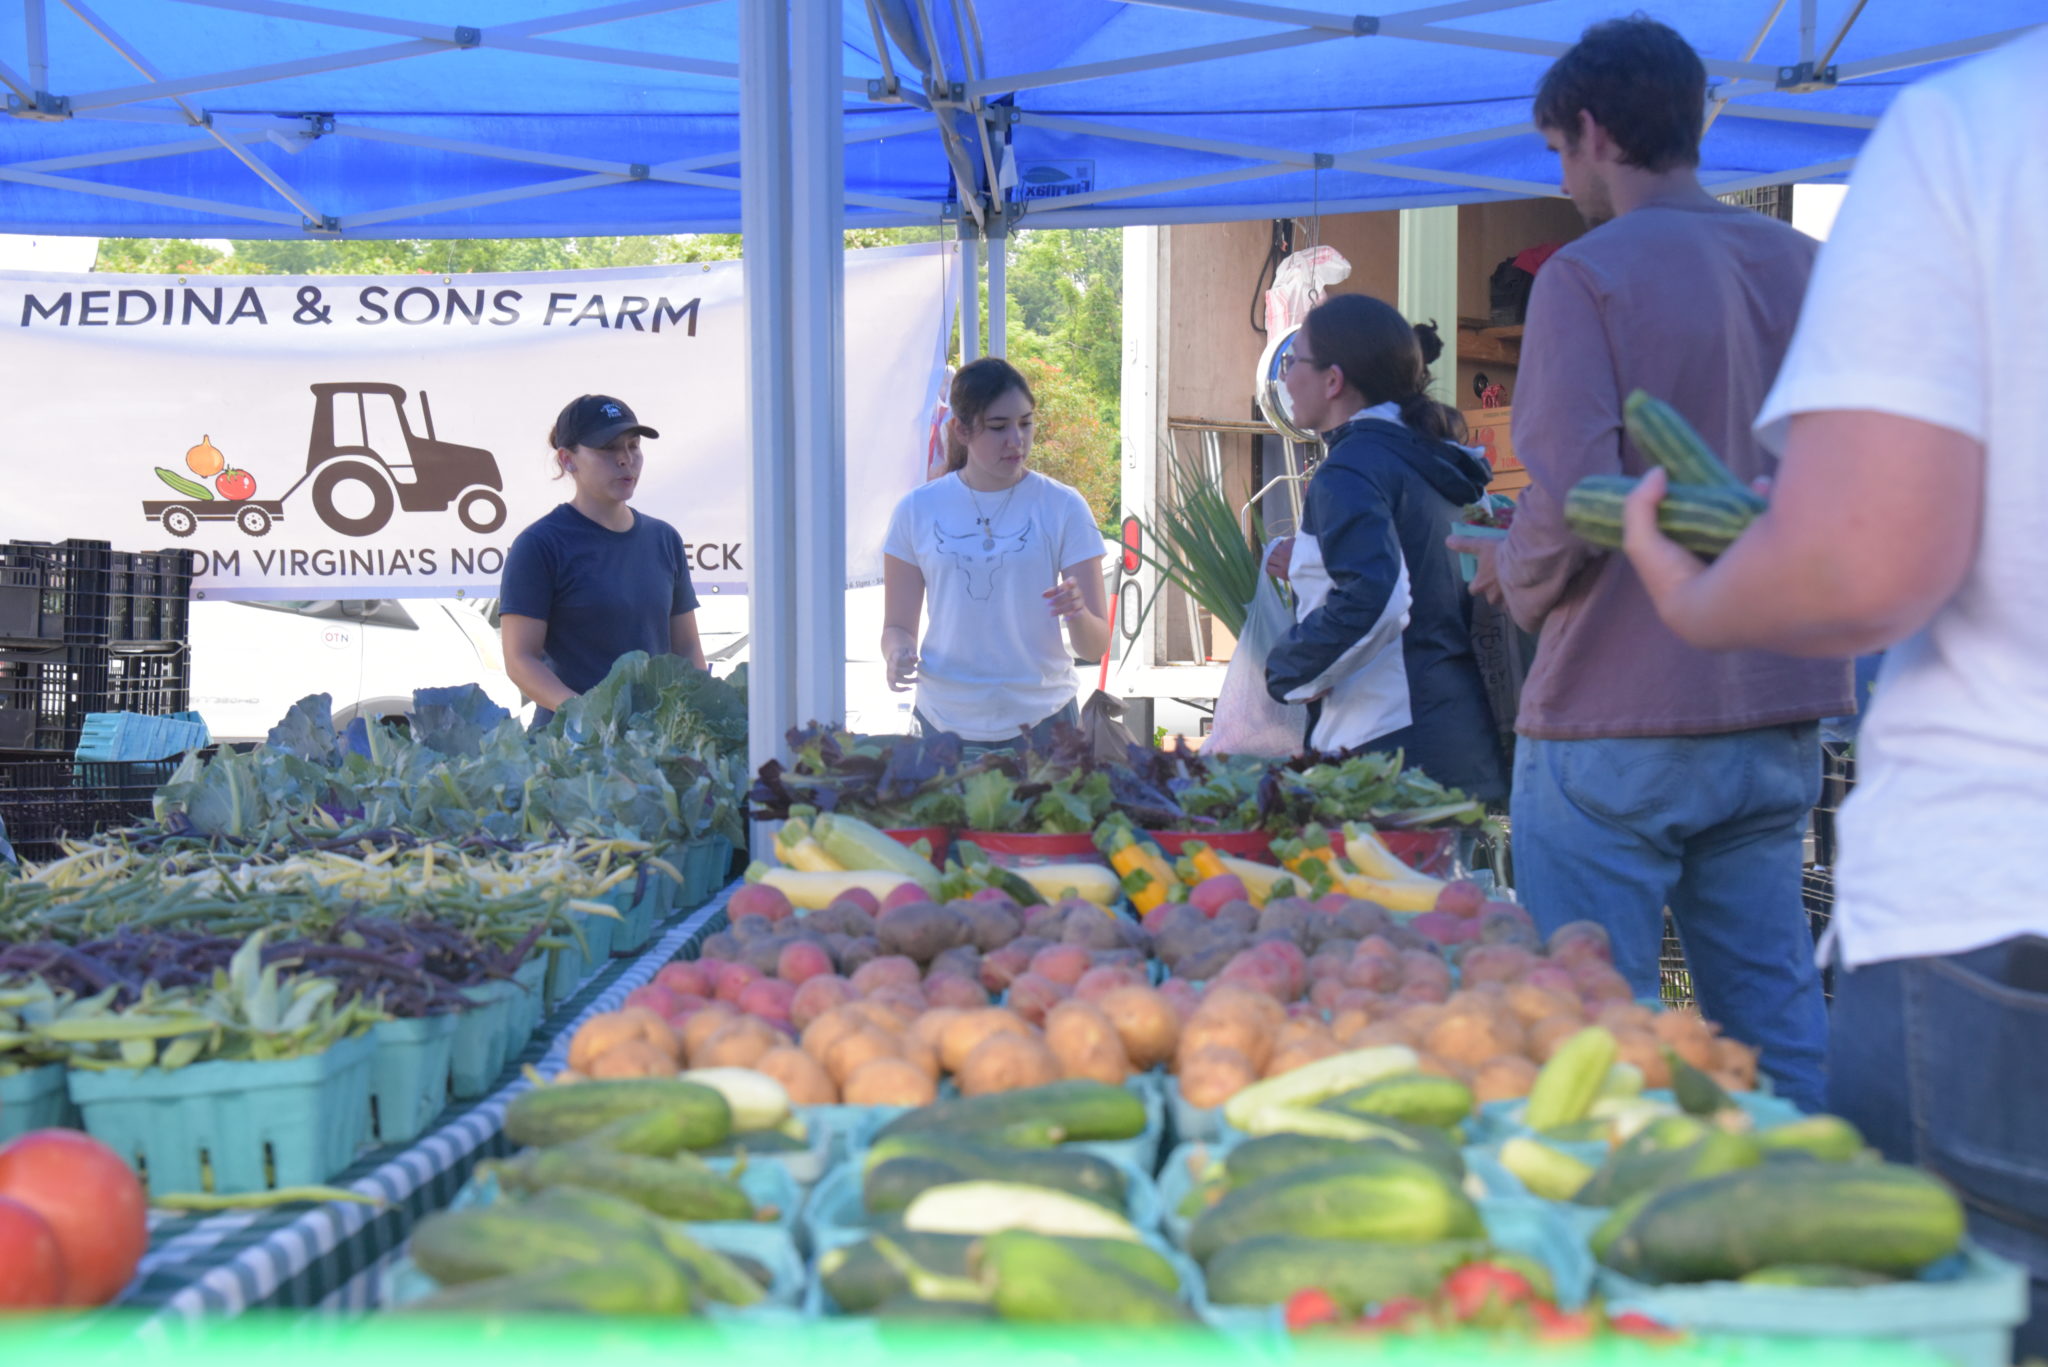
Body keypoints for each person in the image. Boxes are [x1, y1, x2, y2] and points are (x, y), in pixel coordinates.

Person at [1618, 28, 2047, 1352]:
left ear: (1583, 139)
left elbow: (1863, 564)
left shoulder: (1982, 125)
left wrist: (1695, 593)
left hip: (2004, 891)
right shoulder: (1813, 238)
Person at [1445, 17, 1850, 1111]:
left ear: (1588, 130)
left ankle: (1616, 1262)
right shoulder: (1809, 266)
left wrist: (1507, 574)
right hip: (1774, 697)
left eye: (1554, 151)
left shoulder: (1585, 276)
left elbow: (1579, 499)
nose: (1561, 176)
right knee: (1773, 1019)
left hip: (1613, 710)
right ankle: (1808, 1243)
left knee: (1590, 1032)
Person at [1263, 294, 1507, 802]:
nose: (1286, 379)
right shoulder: (1426, 457)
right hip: (1448, 740)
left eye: (1292, 362)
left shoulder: (1352, 468)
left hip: (1387, 753)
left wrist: (1288, 669)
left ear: (1333, 381)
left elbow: (1377, 599)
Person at [882, 357, 1110, 755]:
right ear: (962, 429)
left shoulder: (1063, 506)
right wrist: (898, 653)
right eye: (999, 426)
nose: (1017, 440)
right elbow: (897, 627)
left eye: (1026, 423)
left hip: (1046, 725)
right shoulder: (916, 510)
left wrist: (1077, 612)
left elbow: (1094, 647)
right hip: (944, 726)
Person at [500, 394, 706, 724]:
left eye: (633, 446)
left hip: (655, 748)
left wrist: (697, 716)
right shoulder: (539, 545)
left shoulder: (664, 539)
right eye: (608, 449)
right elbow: (520, 659)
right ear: (568, 460)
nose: (626, 460)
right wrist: (589, 716)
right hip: (570, 757)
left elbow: (687, 650)